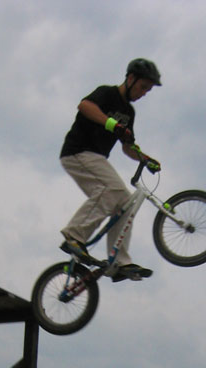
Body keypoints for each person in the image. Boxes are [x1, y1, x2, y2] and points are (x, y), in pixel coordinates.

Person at [59, 58, 162, 282]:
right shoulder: (107, 93)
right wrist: (111, 123)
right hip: (78, 151)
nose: (143, 93)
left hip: (94, 158)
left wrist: (145, 159)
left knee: (125, 201)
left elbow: (128, 147)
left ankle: (119, 262)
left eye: (148, 90)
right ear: (130, 78)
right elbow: (84, 106)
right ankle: (74, 236)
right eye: (143, 87)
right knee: (111, 189)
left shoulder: (129, 112)